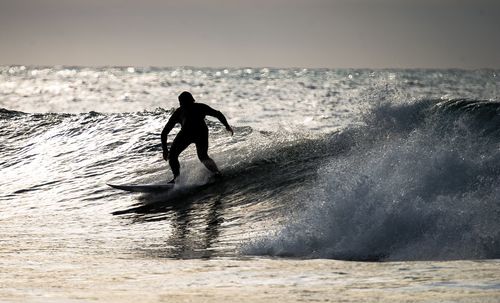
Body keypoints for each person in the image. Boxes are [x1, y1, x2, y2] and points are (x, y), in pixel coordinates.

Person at [161, 91, 233, 183]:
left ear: (192, 101)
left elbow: (217, 114)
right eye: (182, 103)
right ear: (180, 103)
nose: (186, 105)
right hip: (186, 134)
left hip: (201, 133)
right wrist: (165, 150)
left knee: (202, 156)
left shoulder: (200, 107)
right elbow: (164, 132)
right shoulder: (178, 113)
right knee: (172, 156)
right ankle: (177, 178)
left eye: (188, 102)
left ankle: (217, 173)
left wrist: (226, 125)